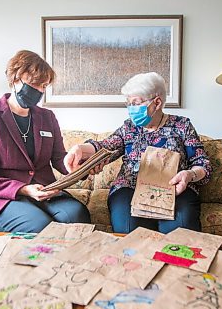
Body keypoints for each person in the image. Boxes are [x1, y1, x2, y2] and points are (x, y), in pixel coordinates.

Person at [64, 72, 212, 234]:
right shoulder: (129, 128)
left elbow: (202, 163)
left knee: (180, 233)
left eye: (136, 103)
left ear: (157, 103)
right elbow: (106, 147)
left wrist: (189, 174)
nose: (131, 109)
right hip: (129, 188)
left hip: (174, 190)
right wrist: (81, 149)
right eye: (128, 103)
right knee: (130, 232)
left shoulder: (182, 125)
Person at [0, 50, 90, 233]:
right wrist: (23, 189)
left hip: (44, 190)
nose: (39, 91)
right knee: (38, 225)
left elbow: (58, 158)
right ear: (15, 78)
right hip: (4, 196)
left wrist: (80, 167)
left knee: (77, 215)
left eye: (44, 86)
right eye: (34, 84)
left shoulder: (47, 117)